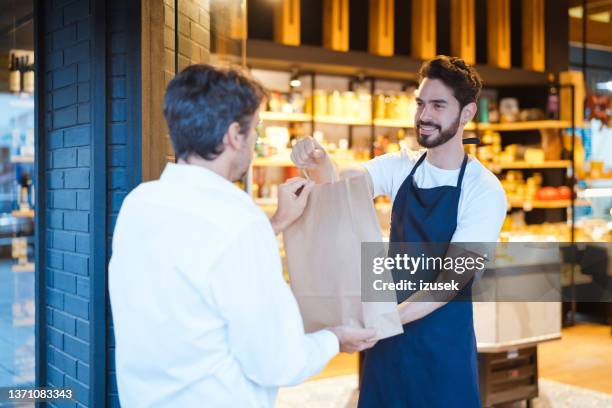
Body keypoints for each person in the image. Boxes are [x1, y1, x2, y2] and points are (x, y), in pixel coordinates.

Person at [108, 64, 378, 407]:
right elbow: (277, 361)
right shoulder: (238, 220)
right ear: (235, 135)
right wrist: (333, 339)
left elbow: (199, 260)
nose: (255, 141)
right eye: (255, 130)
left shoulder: (139, 203)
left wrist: (277, 223)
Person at [291, 56, 507, 407]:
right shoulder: (401, 166)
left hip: (442, 347)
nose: (424, 116)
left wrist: (387, 318)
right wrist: (320, 164)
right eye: (420, 103)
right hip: (388, 343)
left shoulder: (483, 189)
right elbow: (340, 189)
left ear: (467, 113)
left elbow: (452, 280)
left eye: (438, 105)